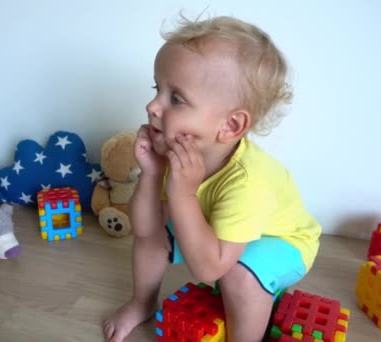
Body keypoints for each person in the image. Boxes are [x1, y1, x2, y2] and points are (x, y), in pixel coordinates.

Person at [102, 15, 321, 342]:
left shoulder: (250, 182)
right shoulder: (181, 152)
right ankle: (142, 303)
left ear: (231, 126)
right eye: (156, 89)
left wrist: (183, 194)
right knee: (156, 235)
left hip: (283, 242)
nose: (152, 106)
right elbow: (145, 229)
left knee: (238, 274)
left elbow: (210, 270)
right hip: (218, 232)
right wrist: (152, 173)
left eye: (176, 98)